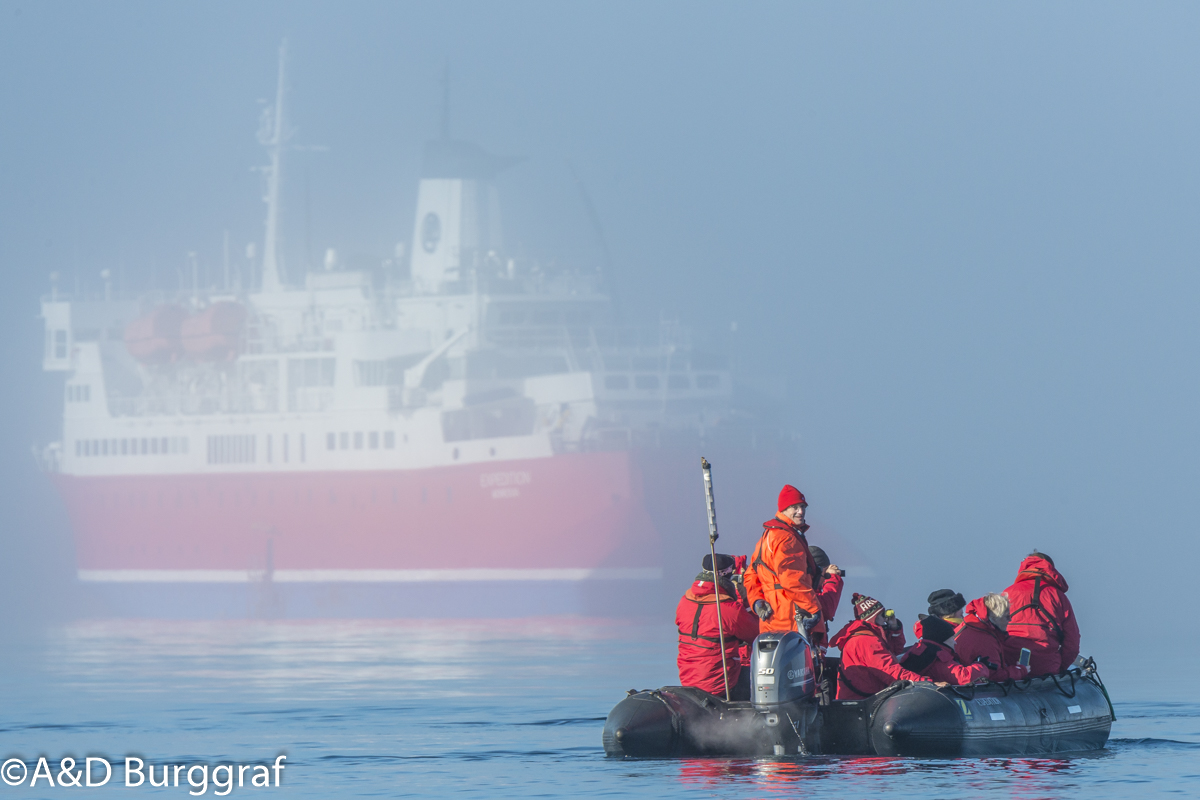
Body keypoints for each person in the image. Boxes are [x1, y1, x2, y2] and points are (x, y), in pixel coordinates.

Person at [676, 553, 761, 700]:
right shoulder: (729, 609)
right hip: (721, 684)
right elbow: (756, 634)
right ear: (727, 577)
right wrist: (746, 601)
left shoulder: (684, 601)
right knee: (765, 679)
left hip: (688, 680)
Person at [743, 485, 822, 634]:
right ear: (784, 508)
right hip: (790, 618)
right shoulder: (787, 539)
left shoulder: (767, 536)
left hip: (769, 621)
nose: (801, 511)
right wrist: (813, 609)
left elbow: (751, 575)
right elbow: (791, 580)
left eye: (803, 506)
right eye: (795, 507)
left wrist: (756, 601)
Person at [829, 593, 935, 700]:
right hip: (862, 703)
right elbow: (891, 672)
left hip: (861, 700)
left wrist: (894, 628)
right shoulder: (866, 641)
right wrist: (926, 683)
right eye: (881, 615)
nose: (885, 619)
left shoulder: (864, 636)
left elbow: (894, 651)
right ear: (873, 617)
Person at [1002, 551, 1080, 677]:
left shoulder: (1007, 593)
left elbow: (992, 634)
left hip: (1010, 665)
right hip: (1046, 667)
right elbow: (1072, 642)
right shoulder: (1058, 597)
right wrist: (1060, 667)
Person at [953, 594, 1031, 683]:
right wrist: (1021, 670)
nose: (1010, 619)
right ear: (995, 618)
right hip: (975, 689)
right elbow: (995, 676)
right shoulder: (985, 640)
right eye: (1006, 616)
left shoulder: (968, 625)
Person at [899, 614, 988, 685]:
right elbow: (965, 678)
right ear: (943, 640)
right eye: (952, 639)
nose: (955, 642)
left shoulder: (920, 651)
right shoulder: (937, 655)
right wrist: (981, 665)